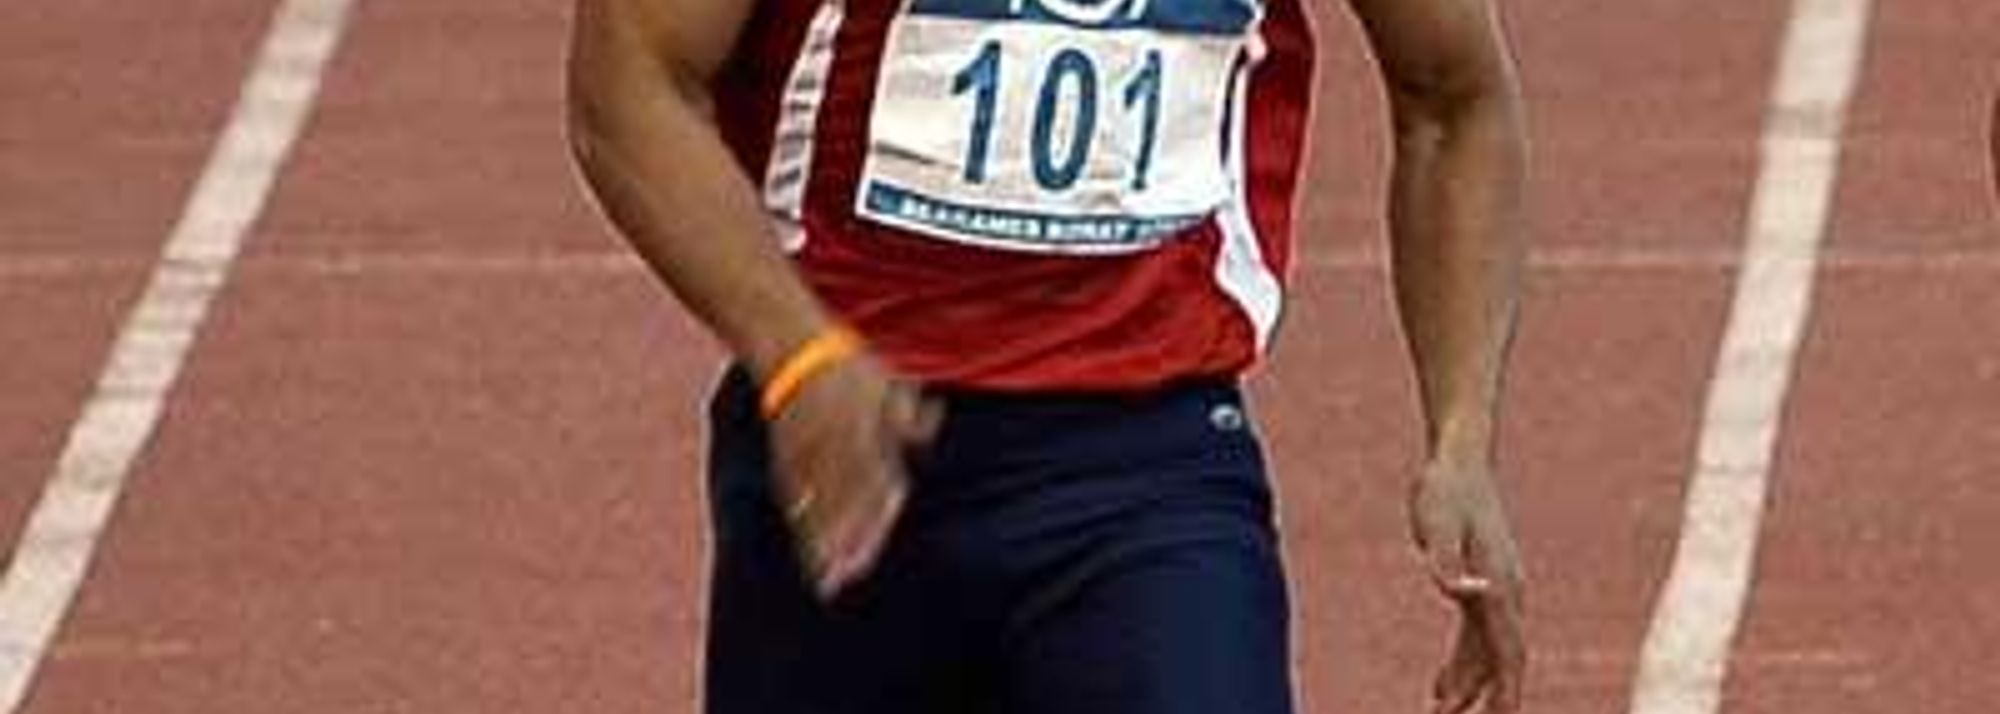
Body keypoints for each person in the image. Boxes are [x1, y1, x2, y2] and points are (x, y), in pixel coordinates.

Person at [566, 0, 1529, 709]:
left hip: (1146, 466)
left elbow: (1454, 97)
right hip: (850, 458)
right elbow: (628, 82)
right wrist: (799, 351)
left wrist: (1461, 439)